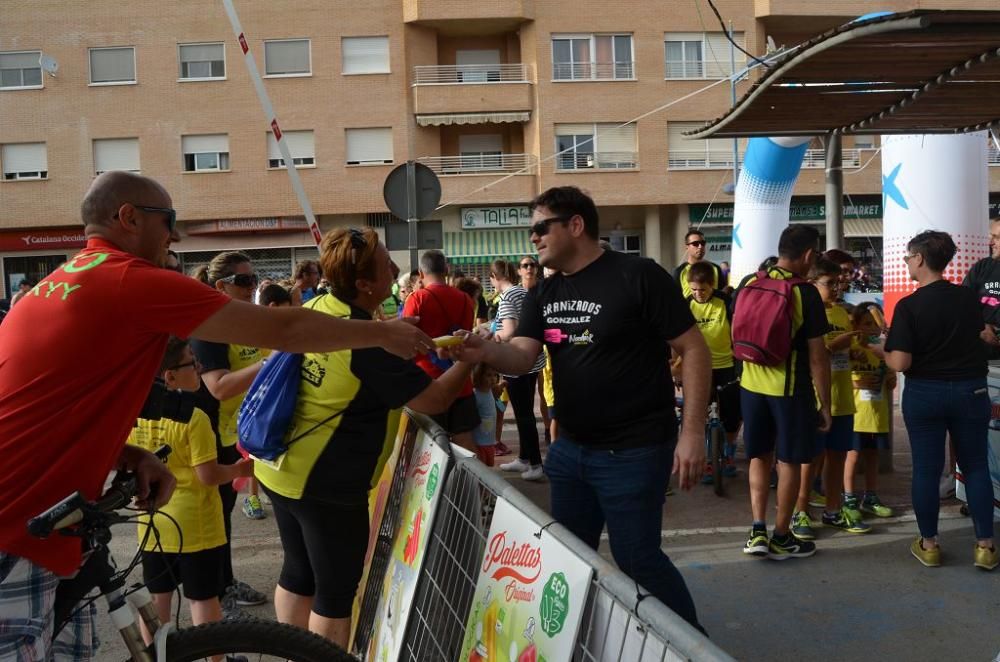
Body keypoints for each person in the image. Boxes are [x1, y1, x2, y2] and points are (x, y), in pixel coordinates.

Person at [0, 171, 434, 661]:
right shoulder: (128, 278)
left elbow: (41, 401)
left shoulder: (61, 279)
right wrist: (381, 333)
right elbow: (285, 328)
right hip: (19, 520)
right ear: (128, 217)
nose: (175, 236)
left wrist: (123, 452)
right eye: (169, 221)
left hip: (45, 509)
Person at [445, 186, 711, 632]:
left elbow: (694, 348)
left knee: (637, 560)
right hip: (570, 451)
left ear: (576, 225)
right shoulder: (543, 294)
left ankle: (694, 645)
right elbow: (523, 355)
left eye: (540, 228)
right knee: (567, 559)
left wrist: (693, 432)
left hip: (635, 449)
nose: (533, 239)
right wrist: (483, 353)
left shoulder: (638, 275)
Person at [253, 228, 475, 647]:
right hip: (328, 484)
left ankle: (291, 655)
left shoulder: (319, 305)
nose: (394, 272)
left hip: (279, 466)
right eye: (386, 266)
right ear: (364, 284)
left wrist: (390, 330)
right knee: (334, 596)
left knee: (297, 573)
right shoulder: (368, 346)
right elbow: (435, 398)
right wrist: (469, 358)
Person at [877, 230, 997, 570]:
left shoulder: (909, 305)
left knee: (926, 472)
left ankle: (929, 544)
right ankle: (985, 546)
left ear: (919, 259)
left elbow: (901, 362)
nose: (906, 263)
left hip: (926, 393)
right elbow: (976, 336)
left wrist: (883, 350)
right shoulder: (966, 299)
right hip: (970, 389)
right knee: (975, 466)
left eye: (907, 258)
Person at [127, 337, 254, 642]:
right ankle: (215, 658)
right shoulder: (194, 418)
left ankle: (154, 657)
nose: (199, 368)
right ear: (170, 376)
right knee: (203, 598)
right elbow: (208, 475)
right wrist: (239, 470)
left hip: (152, 520)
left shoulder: (135, 415)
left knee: (158, 597)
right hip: (196, 525)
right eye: (191, 363)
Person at [736, 225, 831, 561]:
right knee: (788, 460)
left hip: (750, 385)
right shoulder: (804, 293)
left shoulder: (749, 281)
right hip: (788, 389)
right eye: (815, 255)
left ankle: (757, 530)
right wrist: (825, 404)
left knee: (758, 455)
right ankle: (781, 535)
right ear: (808, 255)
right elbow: (818, 356)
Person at [190, 251, 270, 613]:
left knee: (223, 516)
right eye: (244, 281)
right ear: (220, 286)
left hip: (239, 434)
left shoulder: (246, 320)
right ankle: (217, 595)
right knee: (213, 519)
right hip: (211, 434)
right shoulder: (208, 327)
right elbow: (218, 387)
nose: (252, 287)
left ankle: (223, 583)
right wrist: (270, 363)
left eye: (254, 279)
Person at [790, 258, 869, 541]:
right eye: (829, 283)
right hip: (815, 399)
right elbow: (811, 355)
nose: (836, 288)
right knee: (809, 459)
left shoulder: (840, 314)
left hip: (843, 398)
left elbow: (840, 354)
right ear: (811, 284)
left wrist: (853, 352)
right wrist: (834, 346)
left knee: (837, 456)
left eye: (838, 283)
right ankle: (800, 511)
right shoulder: (801, 315)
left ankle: (833, 510)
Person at [403, 249, 479, 452]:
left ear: (421, 273)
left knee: (426, 446)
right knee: (465, 439)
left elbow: (406, 339)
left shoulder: (416, 299)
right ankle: (471, 485)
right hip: (460, 380)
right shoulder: (465, 299)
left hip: (425, 383)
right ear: (446, 270)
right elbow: (467, 336)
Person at [683, 261, 740, 482]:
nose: (698, 294)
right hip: (698, 368)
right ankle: (708, 459)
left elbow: (736, 329)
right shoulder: (686, 304)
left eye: (703, 289)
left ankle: (729, 454)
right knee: (701, 415)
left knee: (732, 415)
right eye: (694, 289)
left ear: (712, 285)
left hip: (726, 364)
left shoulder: (725, 302)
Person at [492, 259, 547, 481]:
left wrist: (490, 336)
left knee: (524, 414)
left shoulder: (506, 297)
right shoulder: (521, 292)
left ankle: (535, 463)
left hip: (517, 361)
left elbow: (510, 331)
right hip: (534, 359)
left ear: (494, 278)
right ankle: (524, 458)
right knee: (524, 412)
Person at [845, 302, 895, 518]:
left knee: (873, 455)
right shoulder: (851, 348)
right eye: (867, 324)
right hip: (856, 414)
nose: (873, 328)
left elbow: (891, 382)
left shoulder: (883, 351)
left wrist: (889, 377)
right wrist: (857, 383)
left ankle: (871, 497)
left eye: (876, 324)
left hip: (877, 414)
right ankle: (848, 498)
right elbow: (840, 377)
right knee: (853, 456)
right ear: (855, 324)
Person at [518, 255, 552, 443]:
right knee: (526, 399)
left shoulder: (545, 290)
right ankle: (529, 446)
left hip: (545, 348)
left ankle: (548, 428)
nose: (529, 268)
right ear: (519, 270)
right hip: (523, 351)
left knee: (545, 393)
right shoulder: (515, 293)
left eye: (532, 265)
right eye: (525, 265)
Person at [962, 217, 1000, 351]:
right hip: (979, 354)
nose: (990, 242)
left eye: (996, 237)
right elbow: (962, 304)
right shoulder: (982, 267)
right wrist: (981, 327)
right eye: (991, 237)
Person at [673, 229, 727, 299]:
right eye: (695, 244)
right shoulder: (679, 272)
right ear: (687, 247)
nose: (700, 246)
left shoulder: (715, 268)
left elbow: (723, 294)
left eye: (703, 243)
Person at [472, 363, 500, 466]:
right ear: (479, 376)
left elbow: (500, 407)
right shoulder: (476, 394)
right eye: (488, 375)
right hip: (479, 442)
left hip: (489, 441)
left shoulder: (490, 392)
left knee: (488, 468)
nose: (493, 379)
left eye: (495, 375)